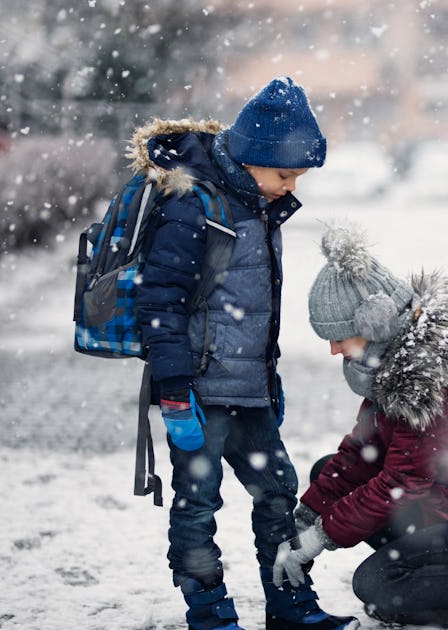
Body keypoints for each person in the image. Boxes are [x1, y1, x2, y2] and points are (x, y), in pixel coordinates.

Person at [133, 77, 359, 630]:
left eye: (298, 178)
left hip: (248, 391)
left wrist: (267, 380)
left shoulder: (255, 203)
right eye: (285, 174)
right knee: (197, 507)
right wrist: (174, 393)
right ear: (254, 157)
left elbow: (256, 306)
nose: (291, 187)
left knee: (279, 495)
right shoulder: (193, 206)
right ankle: (209, 614)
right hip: (198, 390)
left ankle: (291, 607)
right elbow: (160, 305)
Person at [270, 224, 448, 630]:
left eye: (341, 337)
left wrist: (322, 537)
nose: (334, 349)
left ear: (376, 322)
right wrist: (307, 517)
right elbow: (361, 453)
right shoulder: (397, 364)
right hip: (442, 508)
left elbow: (403, 481)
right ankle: (431, 592)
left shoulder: (437, 376)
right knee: (330, 471)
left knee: (376, 582)